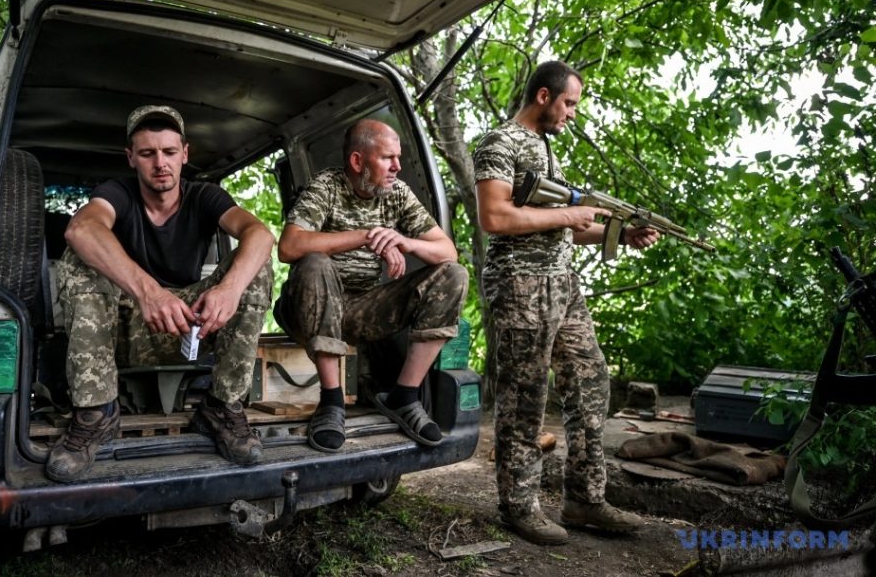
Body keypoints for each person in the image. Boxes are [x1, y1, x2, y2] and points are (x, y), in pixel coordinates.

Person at [473, 61, 659, 544]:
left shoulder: (546, 150)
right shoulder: (501, 143)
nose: (573, 113)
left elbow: (563, 228)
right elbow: (494, 216)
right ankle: (518, 507)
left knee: (591, 382)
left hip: (562, 283)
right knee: (525, 396)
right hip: (520, 285)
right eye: (569, 103)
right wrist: (570, 211)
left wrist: (618, 234)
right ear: (543, 96)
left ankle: (585, 499)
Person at [46, 104, 274, 482]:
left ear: (185, 154)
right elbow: (81, 230)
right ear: (131, 158)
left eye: (169, 152)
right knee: (79, 257)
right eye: (148, 153)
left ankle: (222, 407)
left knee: (254, 264)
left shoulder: (204, 196)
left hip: (190, 327)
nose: (160, 163)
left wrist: (227, 291)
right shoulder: (115, 193)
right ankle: (95, 415)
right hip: (118, 331)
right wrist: (148, 292)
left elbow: (261, 234)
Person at [274, 118, 467, 453]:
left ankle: (404, 397)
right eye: (387, 158)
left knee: (453, 274)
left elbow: (447, 250)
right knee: (315, 260)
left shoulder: (397, 194)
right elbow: (289, 247)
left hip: (361, 308)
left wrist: (407, 243)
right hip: (308, 308)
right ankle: (332, 403)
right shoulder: (328, 186)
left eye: (398, 158)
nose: (397, 167)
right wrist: (365, 236)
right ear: (357, 162)